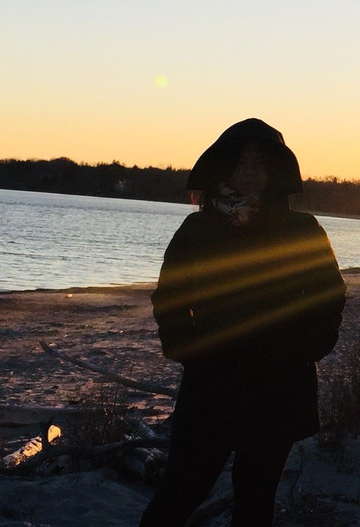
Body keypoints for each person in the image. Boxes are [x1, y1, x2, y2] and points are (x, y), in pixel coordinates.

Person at [140, 118, 346, 527]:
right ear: (224, 169)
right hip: (210, 381)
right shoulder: (198, 228)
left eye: (259, 162)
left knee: (255, 499)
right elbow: (170, 296)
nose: (249, 170)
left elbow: (329, 296)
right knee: (181, 490)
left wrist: (302, 352)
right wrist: (186, 349)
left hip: (279, 386)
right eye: (240, 162)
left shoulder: (301, 230)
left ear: (274, 173)